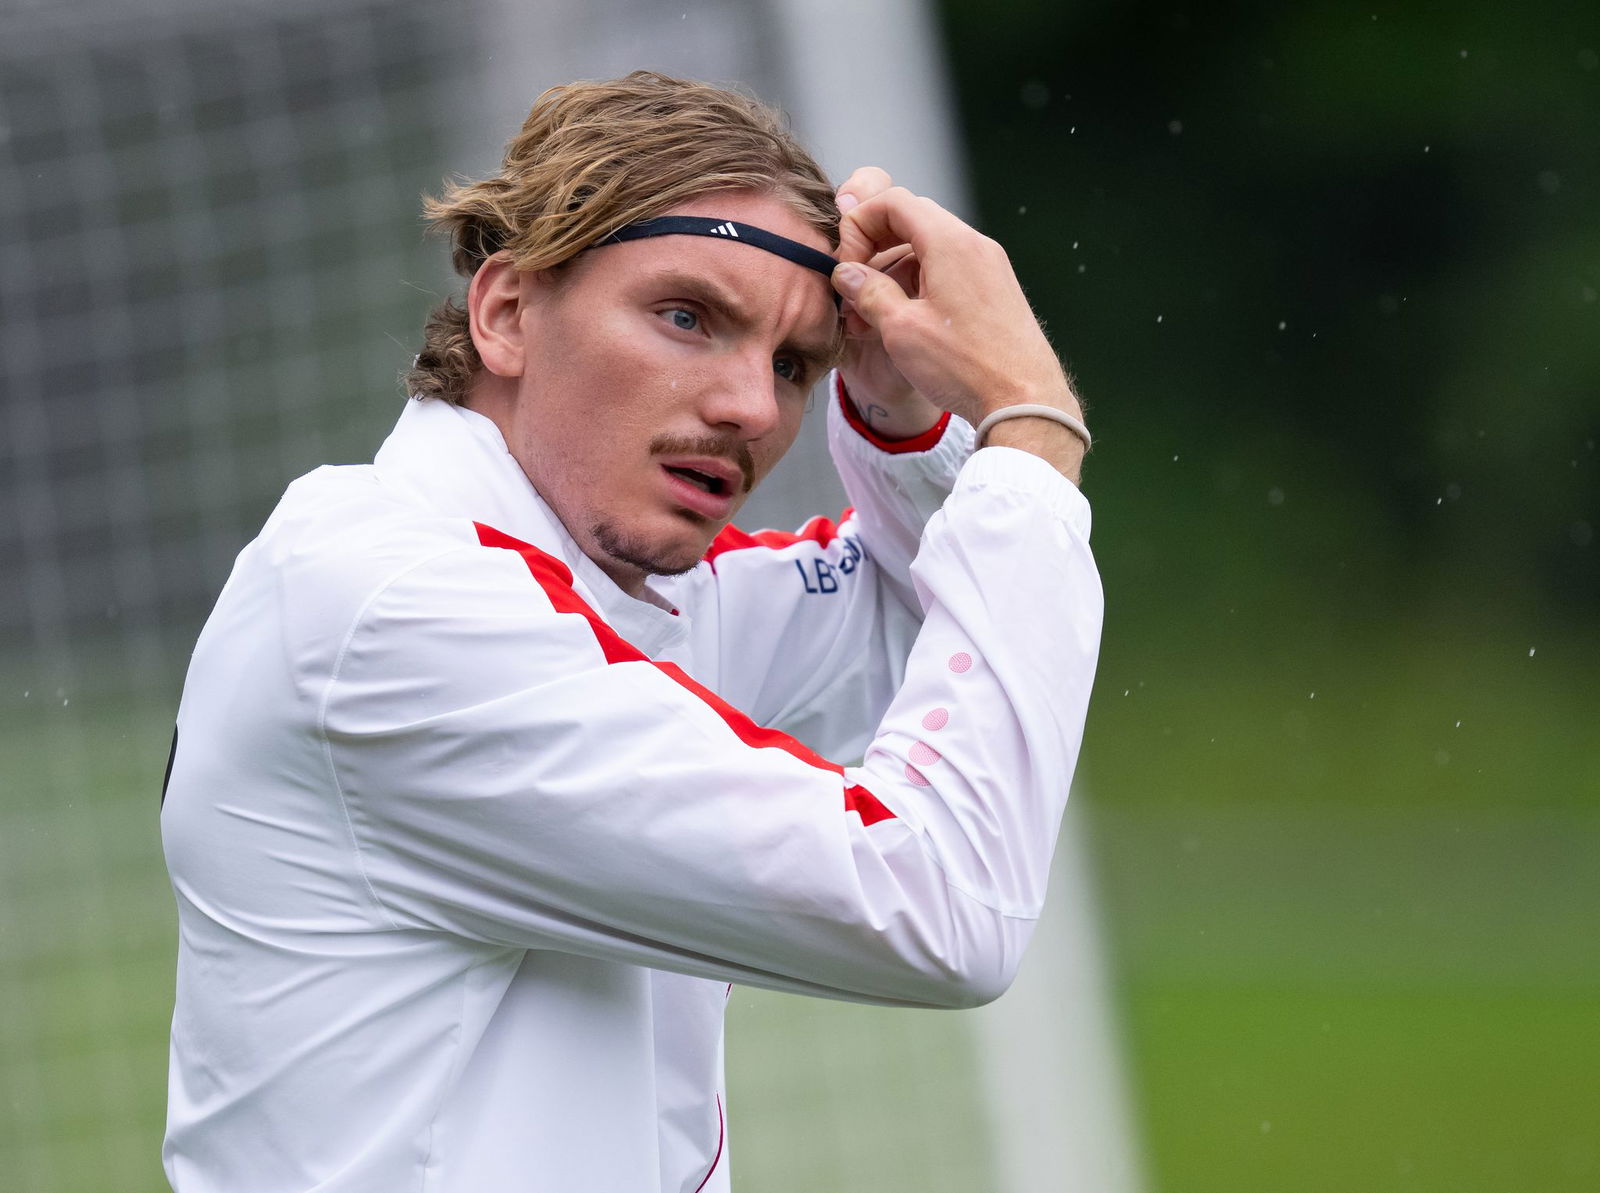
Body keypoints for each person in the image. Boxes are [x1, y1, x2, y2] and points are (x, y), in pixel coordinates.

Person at [160, 71, 1101, 1193]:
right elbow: (941, 902)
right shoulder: (396, 606)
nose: (753, 406)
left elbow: (917, 626)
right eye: (688, 316)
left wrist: (902, 413)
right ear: (506, 310)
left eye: (795, 363)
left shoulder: (592, 589)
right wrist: (1026, 422)